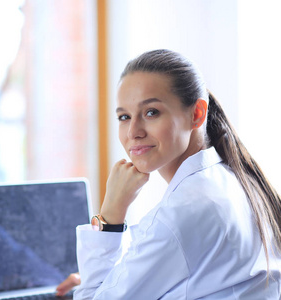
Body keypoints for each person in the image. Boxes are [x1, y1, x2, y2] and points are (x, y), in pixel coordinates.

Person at [65, 49, 281, 299]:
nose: (133, 132)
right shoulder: (232, 179)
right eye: (124, 117)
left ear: (197, 114)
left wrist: (111, 214)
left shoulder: (184, 210)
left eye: (151, 112)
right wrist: (109, 280)